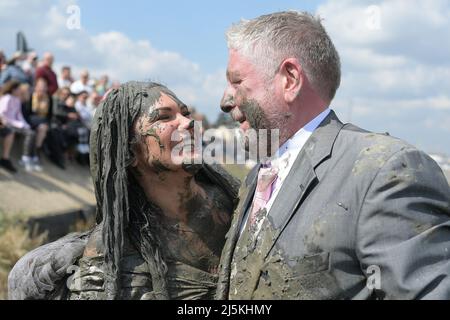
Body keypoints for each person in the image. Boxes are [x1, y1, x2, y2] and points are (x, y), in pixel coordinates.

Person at [216, 11, 450, 300]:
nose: (224, 101)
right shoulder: (258, 177)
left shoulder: (386, 172)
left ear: (290, 79)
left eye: (237, 81)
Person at [8, 81, 240, 300]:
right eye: (164, 117)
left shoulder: (235, 199)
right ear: (129, 154)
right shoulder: (114, 251)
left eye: (185, 113)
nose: (188, 123)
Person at [0, 80, 38, 172]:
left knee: (31, 133)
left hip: (14, 124)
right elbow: (2, 114)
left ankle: (31, 156)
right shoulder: (7, 98)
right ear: (13, 89)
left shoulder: (17, 100)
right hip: (7, 123)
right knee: (13, 132)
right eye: (18, 89)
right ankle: (25, 157)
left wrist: (24, 125)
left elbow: (19, 115)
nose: (20, 91)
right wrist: (17, 124)